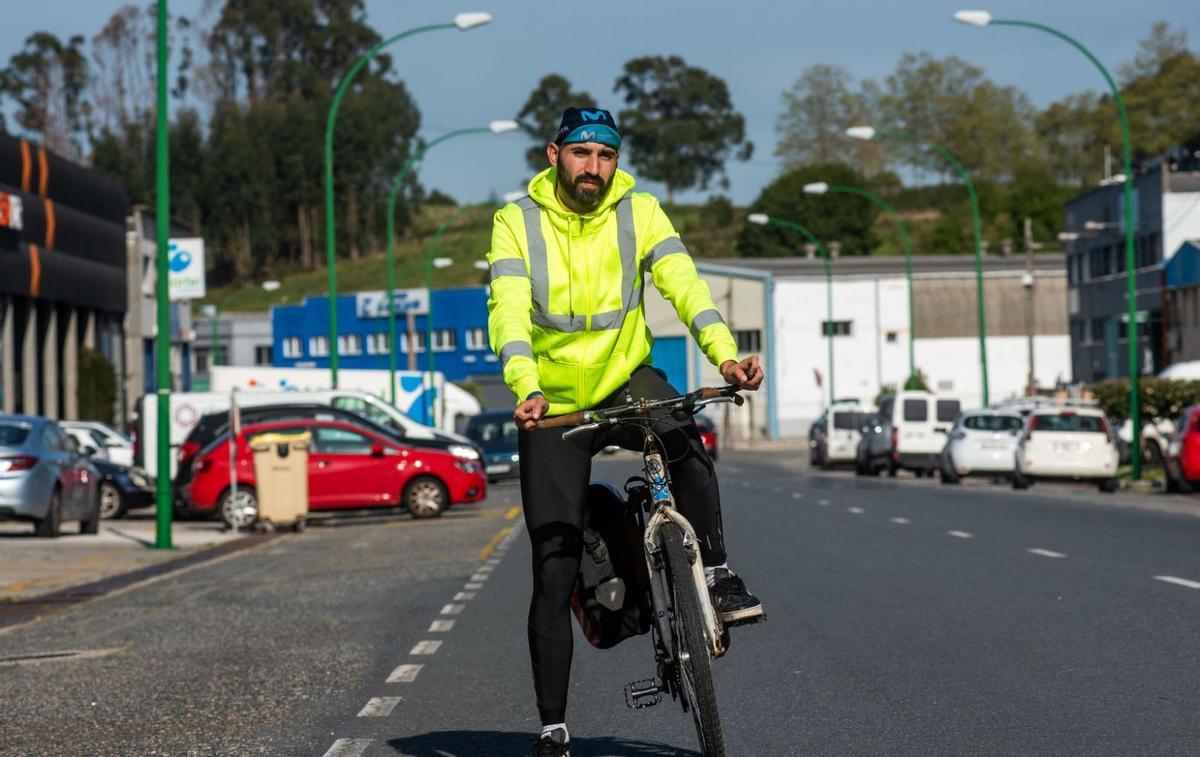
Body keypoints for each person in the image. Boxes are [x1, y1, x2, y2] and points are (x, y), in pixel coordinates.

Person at [486, 107, 765, 757]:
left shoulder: (639, 211)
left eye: (606, 156)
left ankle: (718, 576)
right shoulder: (515, 223)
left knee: (688, 441)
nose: (594, 167)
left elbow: (685, 286)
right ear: (554, 154)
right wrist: (524, 385)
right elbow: (508, 314)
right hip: (551, 401)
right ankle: (553, 726)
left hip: (622, 377)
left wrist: (725, 354)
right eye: (582, 154)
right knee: (554, 567)